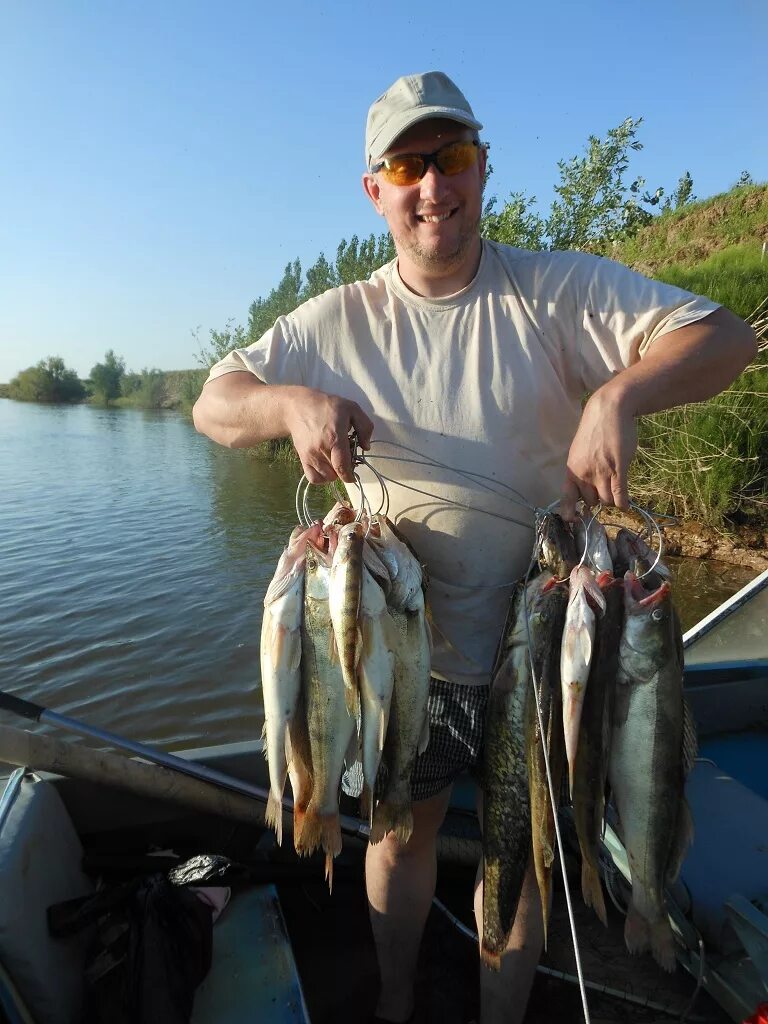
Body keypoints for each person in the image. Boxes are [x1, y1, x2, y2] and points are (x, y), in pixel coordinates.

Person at [193, 71, 756, 1023]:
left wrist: (615, 396)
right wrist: (290, 402)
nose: (433, 186)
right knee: (402, 841)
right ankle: (399, 1002)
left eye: (451, 158)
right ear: (375, 190)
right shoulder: (335, 321)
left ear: (483, 168)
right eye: (408, 164)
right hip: (402, 658)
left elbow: (726, 335)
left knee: (522, 857)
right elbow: (214, 403)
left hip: (537, 663)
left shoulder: (555, 289)